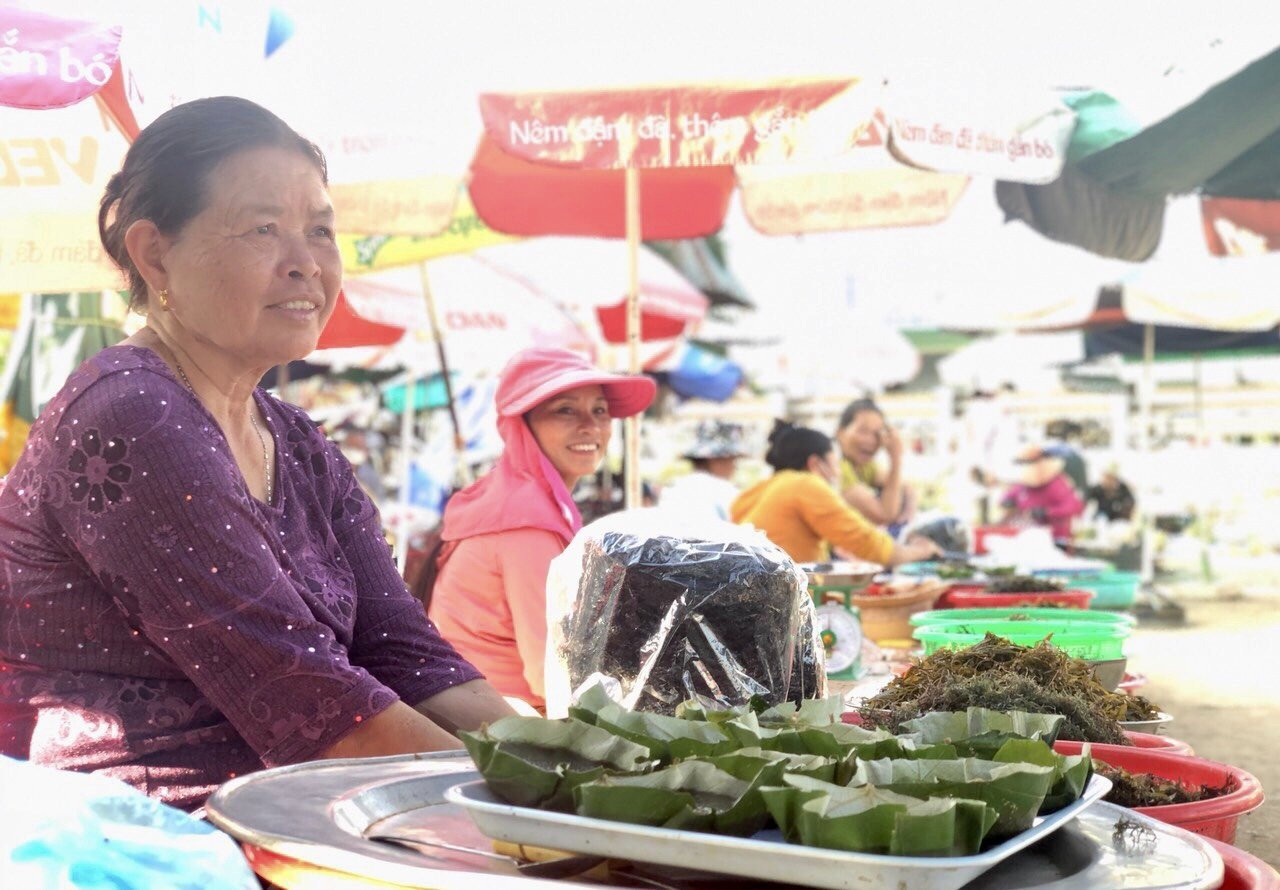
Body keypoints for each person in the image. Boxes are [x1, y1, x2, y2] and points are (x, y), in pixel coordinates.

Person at [0, 97, 512, 811]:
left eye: (322, 231)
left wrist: (576, 758)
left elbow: (406, 652)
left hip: (293, 818)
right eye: (264, 229)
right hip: (151, 841)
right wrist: (539, 797)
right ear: (155, 254)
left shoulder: (296, 441)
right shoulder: (132, 414)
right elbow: (307, 701)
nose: (306, 263)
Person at [429, 347, 655, 712]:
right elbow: (549, 673)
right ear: (523, 425)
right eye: (565, 410)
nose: (591, 425)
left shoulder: (515, 498)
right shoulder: (525, 523)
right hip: (506, 722)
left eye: (599, 410)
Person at [731, 421, 940, 566]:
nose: (838, 472)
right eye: (835, 463)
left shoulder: (767, 488)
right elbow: (869, 543)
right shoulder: (805, 484)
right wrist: (921, 551)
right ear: (815, 463)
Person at [834, 398, 916, 534]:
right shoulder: (835, 466)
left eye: (877, 434)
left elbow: (905, 486)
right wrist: (896, 458)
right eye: (863, 431)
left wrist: (908, 513)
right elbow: (884, 515)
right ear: (840, 433)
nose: (871, 440)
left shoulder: (863, 464)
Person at [658, 420, 747, 522]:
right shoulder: (725, 492)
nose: (734, 467)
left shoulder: (674, 490)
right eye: (733, 460)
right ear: (717, 460)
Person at [999, 444, 1085, 540]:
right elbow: (1011, 495)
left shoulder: (1057, 483)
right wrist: (1007, 500)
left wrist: (1046, 512)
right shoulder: (1023, 484)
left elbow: (1073, 507)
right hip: (1026, 535)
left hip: (1055, 538)